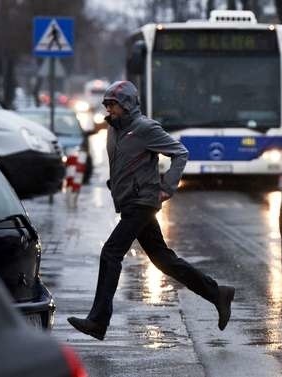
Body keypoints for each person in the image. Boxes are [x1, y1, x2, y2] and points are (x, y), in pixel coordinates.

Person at [67, 81, 235, 340]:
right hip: (130, 202)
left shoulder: (145, 128)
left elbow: (180, 152)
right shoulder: (115, 130)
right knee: (163, 259)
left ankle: (98, 321)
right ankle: (217, 294)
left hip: (142, 202)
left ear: (128, 105)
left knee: (111, 253)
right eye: (108, 105)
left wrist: (168, 186)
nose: (110, 109)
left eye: (114, 105)